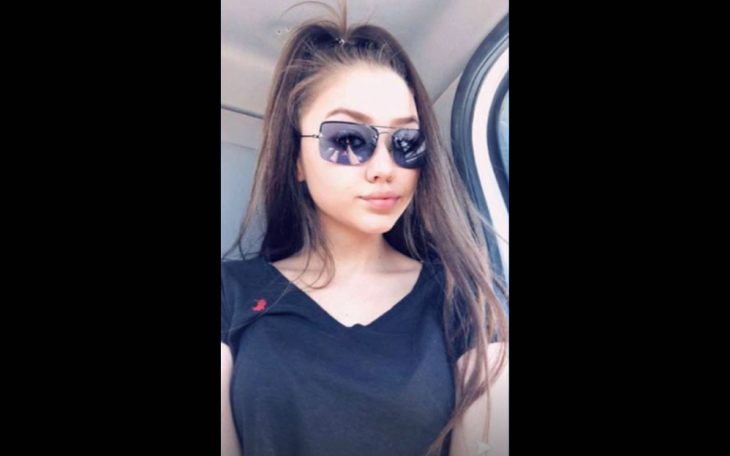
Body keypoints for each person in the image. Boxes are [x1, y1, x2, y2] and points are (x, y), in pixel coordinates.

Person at [221, 5, 508, 456]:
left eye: (406, 142)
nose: (384, 168)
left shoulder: (464, 297)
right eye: (349, 140)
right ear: (296, 159)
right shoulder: (231, 293)